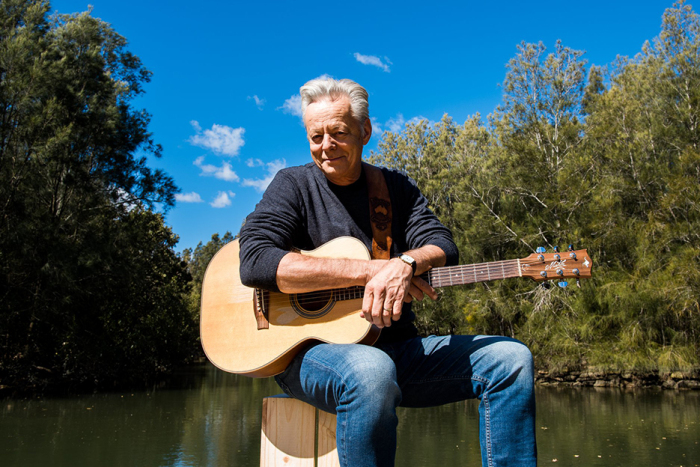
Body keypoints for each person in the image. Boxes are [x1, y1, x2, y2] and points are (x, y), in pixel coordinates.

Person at [238, 77, 537, 467]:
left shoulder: (394, 187)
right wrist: (371, 271)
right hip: (307, 357)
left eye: (338, 133)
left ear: (365, 131)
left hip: (398, 351)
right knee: (370, 370)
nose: (326, 146)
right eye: (316, 137)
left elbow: (442, 245)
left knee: (511, 359)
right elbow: (255, 261)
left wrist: (406, 263)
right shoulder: (293, 185)